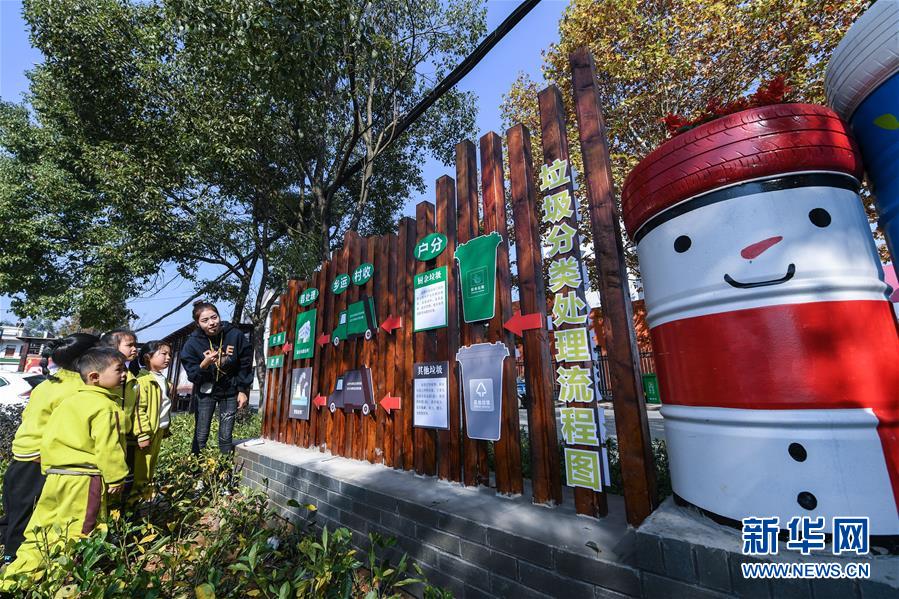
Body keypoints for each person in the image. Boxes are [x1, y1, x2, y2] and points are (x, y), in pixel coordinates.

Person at [2, 347, 128, 583]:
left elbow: (49, 438)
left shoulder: (68, 402)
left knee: (40, 527)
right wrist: (116, 477)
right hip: (84, 479)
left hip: (55, 477)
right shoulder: (106, 407)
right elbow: (108, 447)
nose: (125, 375)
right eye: (119, 370)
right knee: (80, 530)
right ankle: (61, 581)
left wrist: (47, 468)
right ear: (94, 377)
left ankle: (13, 578)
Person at [0, 333, 97, 566]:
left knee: (15, 513)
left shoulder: (48, 384)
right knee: (29, 518)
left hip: (22, 455)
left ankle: (9, 556)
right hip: (40, 460)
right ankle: (12, 565)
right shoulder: (80, 390)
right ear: (88, 359)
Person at [180, 301, 252, 454]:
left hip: (230, 391)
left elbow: (245, 364)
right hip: (206, 392)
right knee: (201, 434)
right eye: (205, 321)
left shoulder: (235, 335)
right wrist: (204, 364)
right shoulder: (192, 343)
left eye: (214, 317)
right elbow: (192, 374)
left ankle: (223, 470)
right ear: (198, 323)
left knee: (226, 436)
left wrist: (242, 390)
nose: (211, 323)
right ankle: (197, 471)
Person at [98, 329, 140, 498]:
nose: (135, 349)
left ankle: (122, 515)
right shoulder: (105, 377)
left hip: (127, 436)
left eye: (135, 345)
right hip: (107, 436)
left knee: (126, 479)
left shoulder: (130, 375)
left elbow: (137, 407)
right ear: (112, 348)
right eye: (129, 345)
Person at [132, 341, 173, 500]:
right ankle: (136, 500)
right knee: (143, 466)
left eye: (169, 354)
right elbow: (138, 408)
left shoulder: (161, 379)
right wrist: (142, 433)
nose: (168, 357)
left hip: (158, 430)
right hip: (147, 432)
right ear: (148, 357)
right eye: (163, 354)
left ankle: (147, 495)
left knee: (151, 464)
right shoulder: (143, 381)